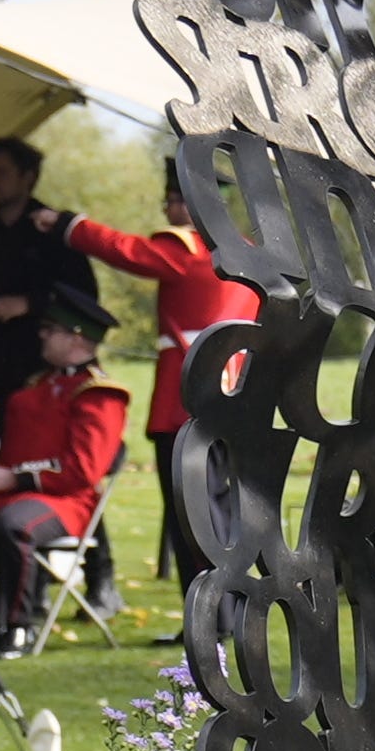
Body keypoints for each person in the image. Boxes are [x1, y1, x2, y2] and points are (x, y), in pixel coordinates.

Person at [64, 161, 258, 583]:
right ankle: (229, 607)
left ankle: (205, 610)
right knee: (221, 514)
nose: (168, 211)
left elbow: (126, 250)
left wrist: (72, 227)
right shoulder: (247, 255)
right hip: (236, 403)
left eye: (174, 201)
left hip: (183, 405)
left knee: (190, 521)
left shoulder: (187, 250)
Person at [0, 312, 131, 655]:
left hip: (67, 502)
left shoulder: (100, 394)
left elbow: (82, 470)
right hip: (15, 496)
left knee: (14, 526)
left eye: (50, 329)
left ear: (76, 338)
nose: (42, 335)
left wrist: (16, 477)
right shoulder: (39, 384)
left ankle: (19, 625)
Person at [0, 131, 106, 403]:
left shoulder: (53, 232)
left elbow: (84, 294)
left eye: (2, 172)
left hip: (42, 362)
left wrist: (29, 303)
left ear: (27, 177)